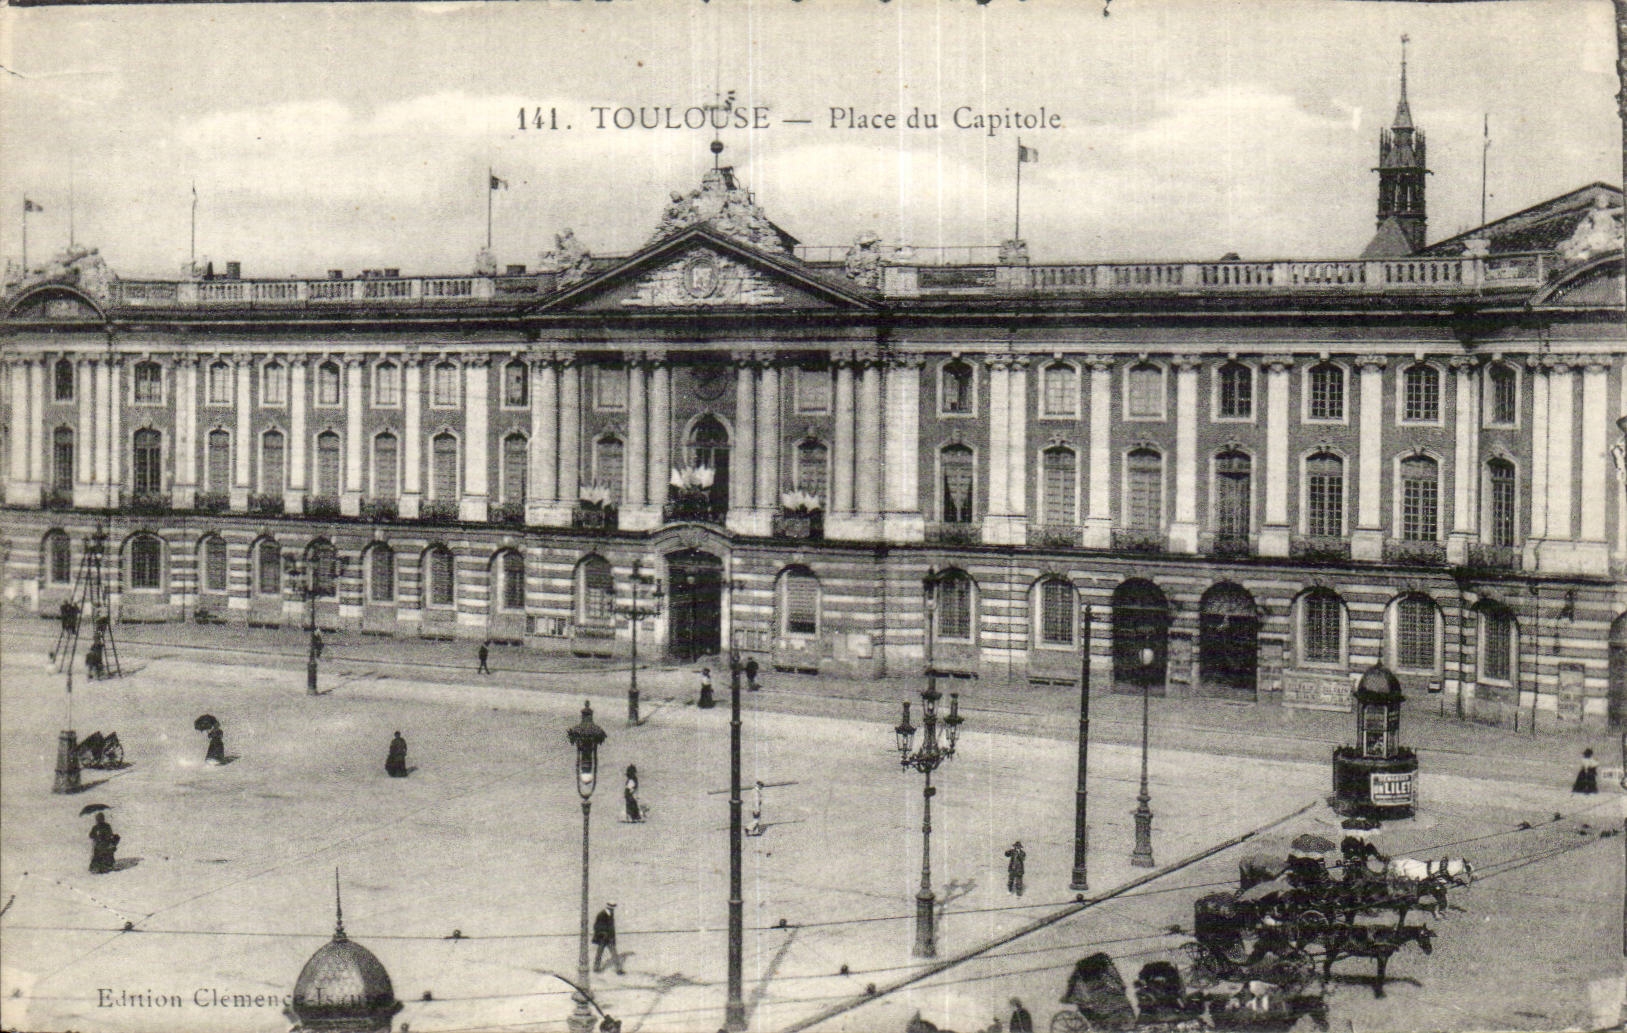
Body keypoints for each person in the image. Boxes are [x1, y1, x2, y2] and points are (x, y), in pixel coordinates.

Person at [592, 903, 624, 974]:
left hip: (609, 938)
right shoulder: (601, 914)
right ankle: (596, 967)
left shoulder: (610, 914)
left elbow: (611, 928)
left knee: (614, 953)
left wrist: (612, 937)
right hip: (602, 938)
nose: (613, 910)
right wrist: (602, 933)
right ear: (609, 908)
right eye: (612, 908)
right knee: (599, 953)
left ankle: (618, 969)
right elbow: (596, 926)